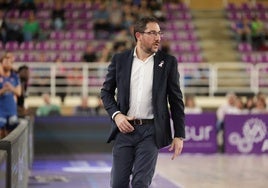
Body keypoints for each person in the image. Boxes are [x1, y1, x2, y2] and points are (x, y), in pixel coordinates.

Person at [100, 16, 185, 188]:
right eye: (153, 33)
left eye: (159, 33)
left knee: (141, 183)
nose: (158, 38)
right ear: (138, 35)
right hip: (124, 130)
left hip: (151, 132)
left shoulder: (168, 62)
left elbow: (176, 100)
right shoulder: (120, 60)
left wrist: (179, 135)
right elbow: (106, 92)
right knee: (118, 183)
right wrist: (117, 116)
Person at [0, 54, 21, 138]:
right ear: (1, 63)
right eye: (5, 62)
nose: (8, 64)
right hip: (1, 111)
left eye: (9, 62)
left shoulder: (15, 77)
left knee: (12, 136)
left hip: (12, 110)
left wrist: (11, 88)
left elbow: (19, 93)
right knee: (1, 133)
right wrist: (3, 90)